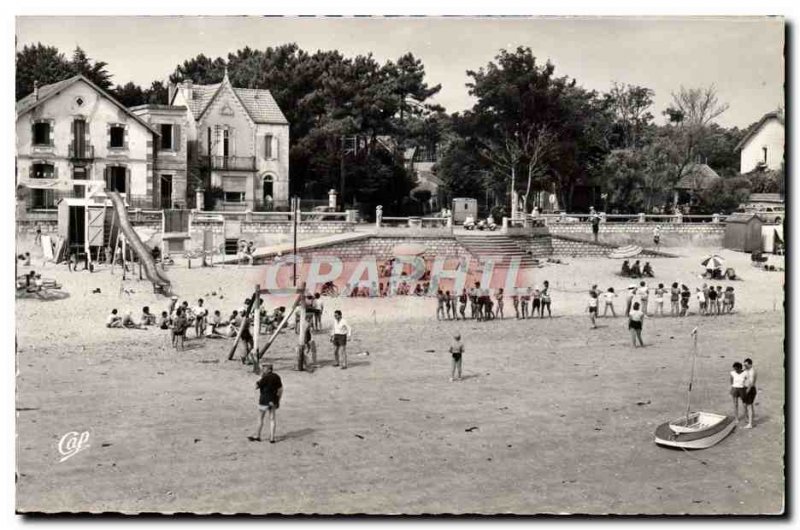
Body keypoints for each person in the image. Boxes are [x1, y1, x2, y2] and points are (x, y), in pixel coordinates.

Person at [249, 364, 283, 443]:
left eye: (264, 369)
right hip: (273, 400)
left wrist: (260, 377)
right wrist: (278, 400)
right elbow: (280, 390)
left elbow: (256, 386)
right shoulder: (277, 377)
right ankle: (272, 438)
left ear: (268, 369)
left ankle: (258, 435)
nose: (263, 370)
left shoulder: (265, 377)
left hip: (264, 400)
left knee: (260, 418)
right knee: (272, 419)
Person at [742, 358, 757, 429]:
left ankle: (750, 424)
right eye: (744, 365)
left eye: (746, 365)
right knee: (748, 406)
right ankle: (751, 421)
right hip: (747, 389)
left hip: (750, 390)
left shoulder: (752, 371)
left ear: (750, 364)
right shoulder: (747, 370)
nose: (745, 366)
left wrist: (747, 391)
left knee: (749, 406)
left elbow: (751, 383)